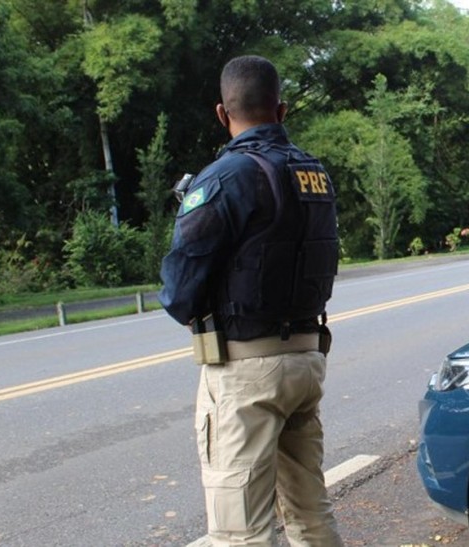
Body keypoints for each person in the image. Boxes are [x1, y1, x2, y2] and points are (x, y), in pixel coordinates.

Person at [159, 55, 343, 546]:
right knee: (311, 514)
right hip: (306, 358)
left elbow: (180, 293)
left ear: (223, 114)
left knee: (241, 531)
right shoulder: (315, 174)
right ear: (280, 110)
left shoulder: (225, 177)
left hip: (247, 373)